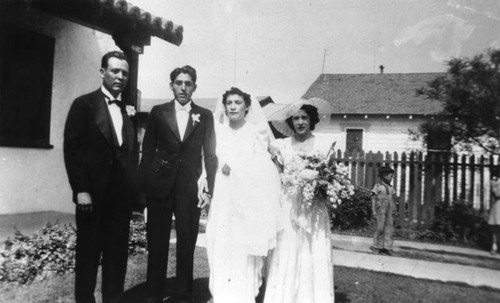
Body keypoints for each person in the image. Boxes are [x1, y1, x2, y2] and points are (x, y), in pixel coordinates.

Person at [63, 51, 139, 303]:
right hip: (92, 198)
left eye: (124, 72)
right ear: (102, 72)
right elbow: (73, 149)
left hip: (120, 201)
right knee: (88, 257)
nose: (120, 76)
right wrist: (81, 189)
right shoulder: (83, 105)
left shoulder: (128, 110)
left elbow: (130, 154)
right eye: (115, 70)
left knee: (117, 259)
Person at [139, 65, 218, 303]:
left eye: (188, 83)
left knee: (186, 242)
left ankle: (183, 294)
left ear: (195, 86)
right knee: (158, 241)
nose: (183, 87)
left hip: (188, 189)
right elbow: (148, 151)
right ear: (171, 85)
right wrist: (144, 192)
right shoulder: (158, 112)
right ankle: (154, 292)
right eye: (178, 83)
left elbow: (210, 154)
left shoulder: (204, 115)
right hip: (159, 188)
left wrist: (209, 190)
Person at [205, 87, 282, 303]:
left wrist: (238, 166)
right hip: (223, 195)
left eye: (238, 102)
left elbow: (265, 166)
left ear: (247, 107)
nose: (232, 107)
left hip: (247, 198)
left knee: (243, 246)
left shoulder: (256, 131)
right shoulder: (217, 130)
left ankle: (243, 294)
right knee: (220, 241)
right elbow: (210, 160)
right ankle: (220, 294)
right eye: (229, 103)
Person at [265, 101, 335, 303]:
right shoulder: (282, 146)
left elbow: (330, 175)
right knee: (288, 248)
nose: (300, 122)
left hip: (314, 206)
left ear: (312, 119)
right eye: (296, 118)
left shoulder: (323, 145)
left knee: (311, 248)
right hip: (288, 205)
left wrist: (320, 183)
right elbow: (276, 177)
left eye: (304, 117)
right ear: (290, 121)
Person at [370, 165, 396, 255]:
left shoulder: (391, 187)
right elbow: (373, 198)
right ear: (384, 176)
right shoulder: (378, 186)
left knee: (389, 227)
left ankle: (387, 247)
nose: (392, 178)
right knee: (380, 227)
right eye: (391, 176)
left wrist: (393, 208)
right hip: (380, 208)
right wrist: (373, 210)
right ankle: (376, 246)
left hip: (389, 209)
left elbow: (392, 199)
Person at [489, 171, 500, 254]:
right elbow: (497, 194)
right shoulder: (495, 181)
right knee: (496, 227)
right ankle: (494, 246)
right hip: (498, 205)